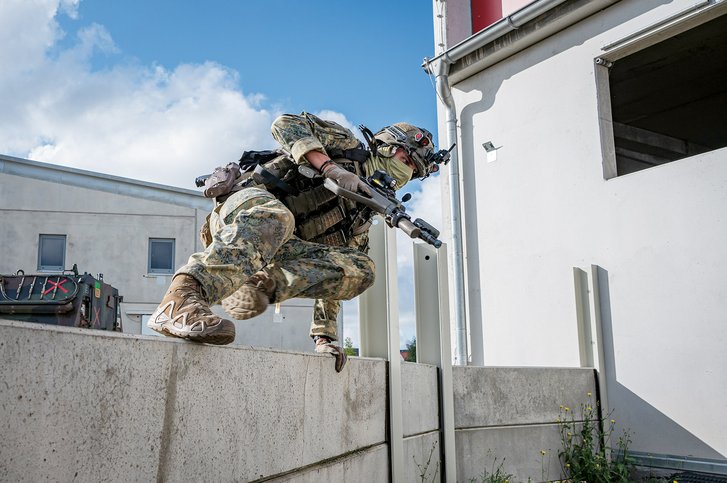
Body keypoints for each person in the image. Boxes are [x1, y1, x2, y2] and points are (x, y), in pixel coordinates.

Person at [147, 112, 439, 372]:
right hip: (248, 208)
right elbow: (285, 123)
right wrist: (330, 168)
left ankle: (261, 285)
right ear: (387, 147)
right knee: (279, 217)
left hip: (280, 246)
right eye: (405, 161)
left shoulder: (361, 214)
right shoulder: (345, 144)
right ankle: (179, 301)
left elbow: (336, 272)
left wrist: (325, 338)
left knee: (362, 268)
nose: (405, 174)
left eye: (412, 173)